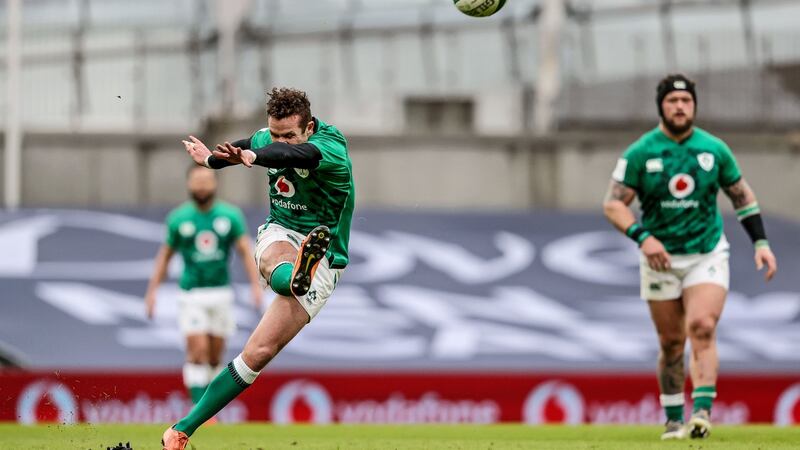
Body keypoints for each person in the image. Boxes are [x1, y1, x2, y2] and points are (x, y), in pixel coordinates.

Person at [162, 87, 355, 450]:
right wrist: (211, 161)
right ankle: (179, 433)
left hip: (325, 252)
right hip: (282, 230)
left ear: (309, 127)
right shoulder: (268, 138)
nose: (280, 140)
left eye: (289, 134)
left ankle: (299, 273)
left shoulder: (329, 147)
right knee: (275, 259)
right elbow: (248, 145)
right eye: (275, 133)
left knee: (259, 353)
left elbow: (291, 153)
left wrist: (255, 155)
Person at [603, 74, 777, 440]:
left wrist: (760, 243)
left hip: (706, 253)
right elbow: (613, 204)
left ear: (694, 105)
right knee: (670, 343)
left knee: (702, 326)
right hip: (661, 259)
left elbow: (742, 196)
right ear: (661, 107)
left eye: (686, 101)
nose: (680, 107)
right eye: (672, 101)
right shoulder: (640, 152)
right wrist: (643, 238)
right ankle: (672, 421)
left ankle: (701, 413)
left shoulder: (714, 149)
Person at [145, 165, 262, 408]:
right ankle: (199, 409)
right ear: (189, 184)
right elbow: (165, 256)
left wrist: (256, 285)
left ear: (215, 183)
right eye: (197, 180)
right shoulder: (179, 218)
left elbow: (245, 250)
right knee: (198, 351)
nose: (202, 185)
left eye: (206, 180)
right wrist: (152, 292)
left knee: (215, 356)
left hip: (221, 293)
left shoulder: (230, 215)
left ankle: (210, 409)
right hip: (191, 293)